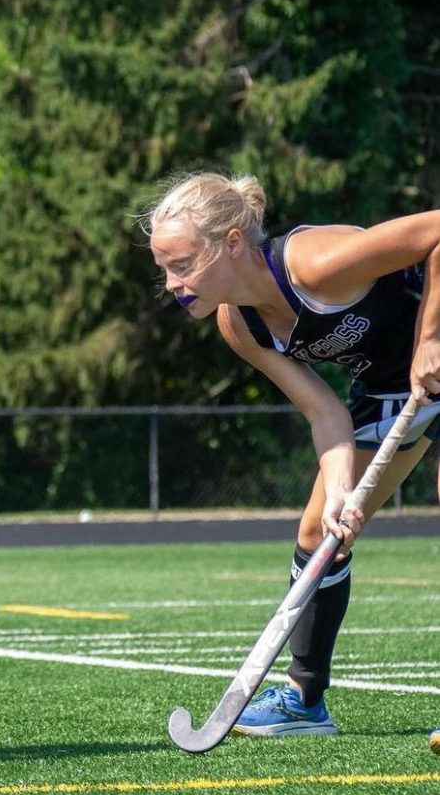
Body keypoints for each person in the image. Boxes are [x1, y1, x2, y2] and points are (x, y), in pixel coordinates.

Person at [142, 171, 440, 736]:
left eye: (181, 264)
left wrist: (430, 340)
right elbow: (324, 414)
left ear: (232, 242)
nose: (171, 283)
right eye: (163, 269)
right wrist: (339, 493)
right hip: (392, 389)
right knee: (318, 534)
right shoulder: (240, 324)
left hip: (436, 343)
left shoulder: (312, 266)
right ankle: (305, 700)